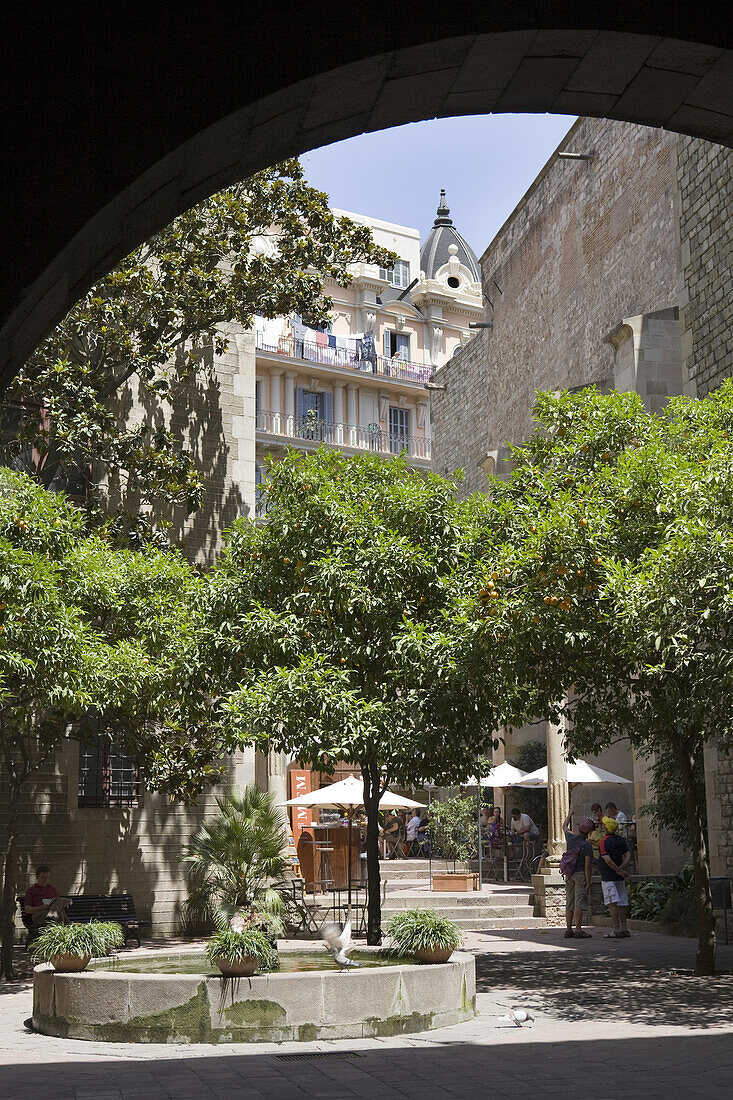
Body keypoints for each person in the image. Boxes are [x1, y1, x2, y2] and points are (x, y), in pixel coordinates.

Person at [561, 808, 594, 938]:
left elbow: (564, 826)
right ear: (589, 832)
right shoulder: (587, 845)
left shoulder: (571, 838)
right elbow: (587, 866)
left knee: (569, 901)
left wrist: (569, 814)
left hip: (569, 874)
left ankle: (569, 929)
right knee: (579, 902)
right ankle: (579, 930)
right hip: (580, 874)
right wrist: (588, 882)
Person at [598, 816, 631, 938]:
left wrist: (618, 870)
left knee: (612, 903)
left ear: (607, 828)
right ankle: (624, 928)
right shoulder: (621, 840)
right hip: (619, 877)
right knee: (622, 903)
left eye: (604, 825)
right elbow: (627, 855)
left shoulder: (603, 841)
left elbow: (607, 860)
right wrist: (622, 869)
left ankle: (616, 929)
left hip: (608, 877)